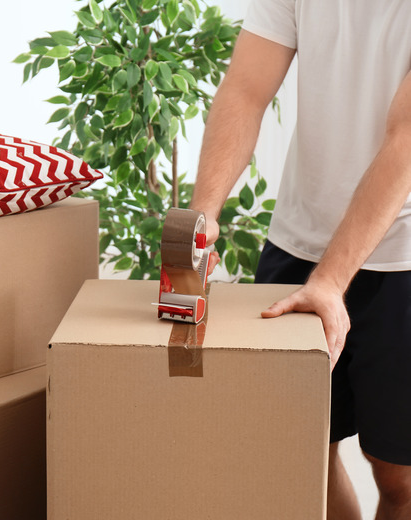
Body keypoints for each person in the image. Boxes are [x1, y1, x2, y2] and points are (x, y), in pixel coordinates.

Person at [189, 1, 411, 519]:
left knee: (397, 473)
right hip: (297, 243)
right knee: (300, 450)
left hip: (402, 262)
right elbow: (245, 91)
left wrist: (331, 282)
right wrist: (203, 215)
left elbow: (405, 141)